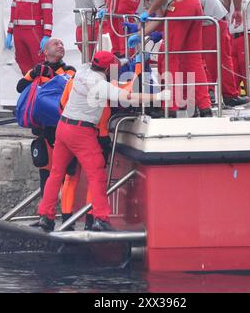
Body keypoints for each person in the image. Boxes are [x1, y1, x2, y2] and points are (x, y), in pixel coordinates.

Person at [36, 51, 169, 232]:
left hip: (63, 127)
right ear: (107, 68)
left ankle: (46, 216)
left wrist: (128, 61)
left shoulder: (82, 72)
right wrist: (158, 97)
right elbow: (128, 96)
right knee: (96, 175)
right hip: (81, 131)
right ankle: (100, 218)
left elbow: (113, 83)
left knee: (56, 173)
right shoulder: (99, 85)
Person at [112, 0, 212, 117]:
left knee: (167, 58)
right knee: (193, 59)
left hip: (178, 7)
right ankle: (205, 106)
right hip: (193, 4)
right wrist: (140, 34)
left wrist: (146, 13)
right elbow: (160, 16)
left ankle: (169, 107)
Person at [16, 38, 76, 201]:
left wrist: (53, 76)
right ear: (45, 51)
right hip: (43, 130)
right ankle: (45, 213)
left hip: (62, 129)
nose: (61, 47)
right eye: (56, 44)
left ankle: (65, 212)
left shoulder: (69, 71)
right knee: (45, 170)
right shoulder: (37, 70)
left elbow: (73, 91)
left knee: (65, 171)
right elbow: (20, 87)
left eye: (62, 45)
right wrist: (34, 74)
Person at [184, 0, 249, 107]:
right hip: (215, 17)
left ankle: (209, 93)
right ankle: (225, 95)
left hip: (209, 20)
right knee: (219, 60)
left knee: (203, 59)